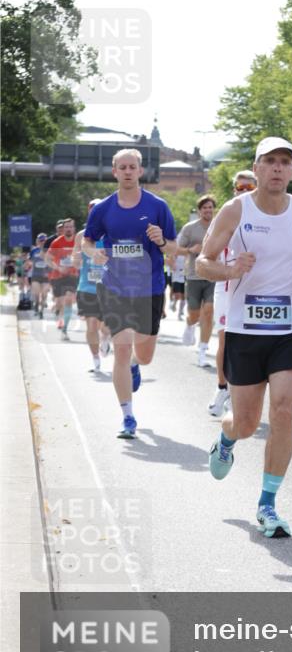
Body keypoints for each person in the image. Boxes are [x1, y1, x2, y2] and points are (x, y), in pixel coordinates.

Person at [196, 136, 292, 538]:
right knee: (248, 422)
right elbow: (203, 263)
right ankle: (226, 437)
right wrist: (230, 269)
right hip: (244, 327)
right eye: (270, 161)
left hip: (290, 324)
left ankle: (268, 504)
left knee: (285, 409)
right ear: (256, 168)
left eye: (285, 162)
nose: (277, 168)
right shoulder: (236, 209)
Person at [83, 148, 177, 439]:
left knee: (144, 355)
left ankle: (137, 365)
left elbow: (173, 250)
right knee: (121, 347)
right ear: (114, 171)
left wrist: (161, 240)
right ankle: (128, 416)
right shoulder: (103, 209)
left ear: (140, 171)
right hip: (116, 286)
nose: (127, 171)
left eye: (131, 167)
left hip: (149, 287)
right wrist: (94, 254)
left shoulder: (158, 206)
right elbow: (87, 242)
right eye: (121, 167)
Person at [208, 170, 257, 418]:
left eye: (250, 187)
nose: (244, 191)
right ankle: (222, 388)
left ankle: (241, 392)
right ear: (234, 189)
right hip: (227, 287)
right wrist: (228, 270)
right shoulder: (225, 216)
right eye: (240, 187)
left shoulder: (270, 216)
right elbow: (207, 259)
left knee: (250, 343)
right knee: (225, 339)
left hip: (258, 290)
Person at [176, 195, 217, 366]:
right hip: (193, 275)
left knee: (208, 312)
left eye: (210, 207)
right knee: (194, 314)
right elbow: (177, 249)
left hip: (214, 276)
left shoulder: (219, 226)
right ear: (199, 210)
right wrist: (191, 249)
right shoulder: (190, 228)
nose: (208, 210)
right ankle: (189, 324)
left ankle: (202, 351)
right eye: (204, 207)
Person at [73, 201, 111, 372]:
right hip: (87, 286)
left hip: (109, 286)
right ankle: (95, 359)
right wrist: (77, 258)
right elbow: (75, 260)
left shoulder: (112, 232)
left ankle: (105, 338)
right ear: (88, 212)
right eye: (92, 209)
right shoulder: (81, 235)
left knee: (106, 325)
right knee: (91, 325)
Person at [45, 218, 79, 339]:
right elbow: (47, 259)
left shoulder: (78, 241)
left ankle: (64, 329)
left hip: (72, 276)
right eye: (66, 227)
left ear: (74, 228)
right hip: (58, 276)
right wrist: (58, 268)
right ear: (63, 229)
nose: (69, 229)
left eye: (71, 227)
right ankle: (59, 315)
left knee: (68, 299)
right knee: (59, 303)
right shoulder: (57, 242)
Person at [29, 234, 51, 317]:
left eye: (44, 241)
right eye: (41, 241)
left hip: (46, 276)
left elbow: (53, 262)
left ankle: (41, 311)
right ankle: (36, 306)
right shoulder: (34, 251)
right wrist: (28, 264)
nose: (43, 242)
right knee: (37, 294)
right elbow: (30, 261)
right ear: (37, 242)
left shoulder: (50, 251)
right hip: (35, 275)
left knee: (44, 294)